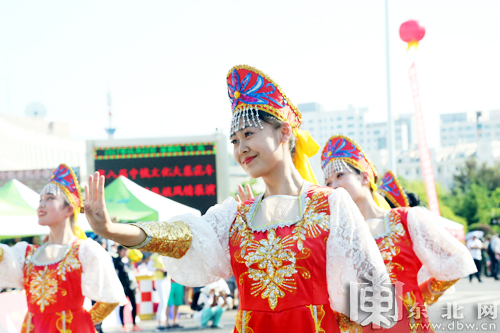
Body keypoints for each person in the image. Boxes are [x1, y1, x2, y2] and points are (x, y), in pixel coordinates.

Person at [84, 65, 392, 332]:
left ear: (284, 132)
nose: (240, 148)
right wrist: (112, 230)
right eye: (234, 140)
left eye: (248, 134)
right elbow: (183, 237)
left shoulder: (331, 205)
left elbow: (374, 299)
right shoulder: (236, 215)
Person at [321, 135, 477, 332]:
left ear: (365, 177)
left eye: (339, 175)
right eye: (327, 182)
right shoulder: (338, 235)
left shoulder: (406, 220)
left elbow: (455, 260)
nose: (333, 185)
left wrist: (420, 295)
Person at [0, 164, 125, 332]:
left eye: (50, 198)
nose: (41, 205)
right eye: (40, 200)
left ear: (69, 209)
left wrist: (84, 320)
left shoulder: (85, 251)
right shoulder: (26, 254)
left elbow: (110, 297)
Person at [113, 245, 142, 332]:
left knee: (134, 305)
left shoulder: (129, 261)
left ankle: (134, 324)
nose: (125, 252)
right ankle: (123, 325)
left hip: (131, 286)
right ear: (120, 250)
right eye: (124, 250)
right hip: (122, 287)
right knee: (122, 305)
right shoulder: (117, 260)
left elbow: (132, 273)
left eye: (126, 250)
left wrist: (136, 286)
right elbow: (115, 274)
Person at [147, 252, 171, 330]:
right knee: (163, 301)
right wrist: (158, 269)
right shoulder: (154, 256)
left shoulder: (166, 255)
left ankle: (163, 322)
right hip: (160, 280)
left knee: (166, 302)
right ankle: (160, 322)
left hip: (167, 279)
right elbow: (149, 267)